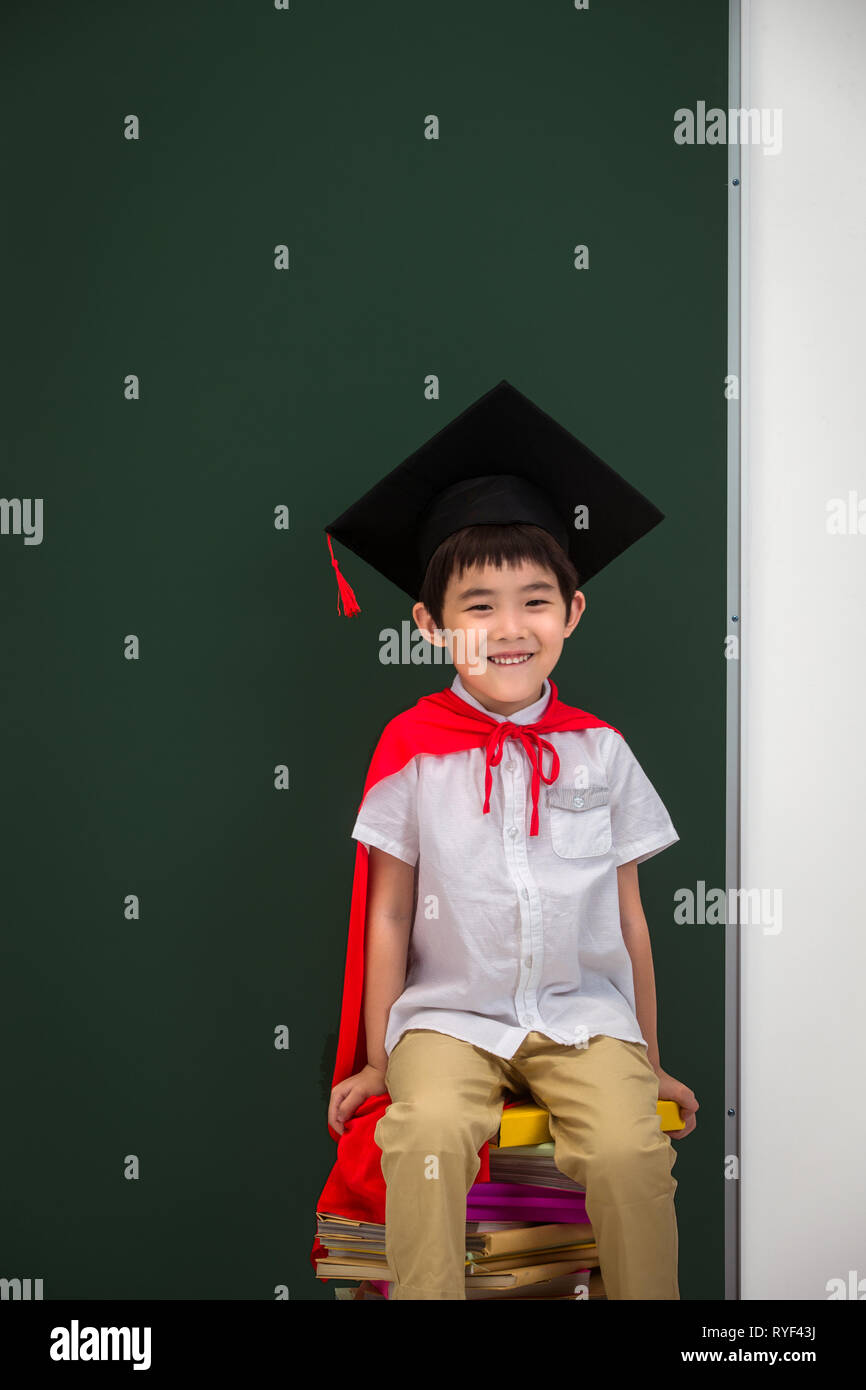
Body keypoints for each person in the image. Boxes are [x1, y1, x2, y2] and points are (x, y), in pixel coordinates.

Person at [315, 379, 699, 1300]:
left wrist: (646, 1053)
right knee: (427, 1133)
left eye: (534, 601)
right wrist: (377, 1057)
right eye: (478, 605)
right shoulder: (412, 752)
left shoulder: (601, 752)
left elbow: (632, 919)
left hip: (580, 1015)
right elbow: (389, 914)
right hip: (450, 1017)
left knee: (627, 1150)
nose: (509, 627)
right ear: (431, 625)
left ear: (572, 612)